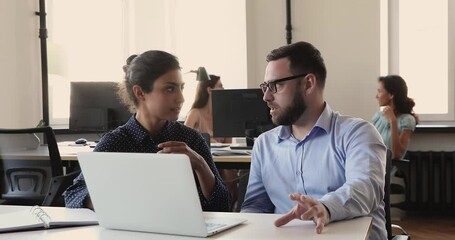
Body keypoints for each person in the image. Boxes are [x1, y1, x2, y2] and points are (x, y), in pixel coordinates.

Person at [240, 41, 387, 240]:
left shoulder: (357, 133)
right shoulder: (264, 145)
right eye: (265, 86)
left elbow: (365, 188)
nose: (266, 96)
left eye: (276, 85)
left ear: (308, 83)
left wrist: (325, 207)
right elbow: (255, 207)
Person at [64, 50, 231, 212]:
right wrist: (122, 195)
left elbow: (224, 206)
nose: (181, 98)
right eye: (170, 89)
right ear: (140, 92)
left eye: (181, 88)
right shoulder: (115, 142)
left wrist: (200, 165)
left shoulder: (190, 139)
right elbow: (72, 196)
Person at [184, 74, 239, 211]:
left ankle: (229, 210)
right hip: (203, 159)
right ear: (209, 90)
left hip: (221, 160)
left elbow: (228, 144)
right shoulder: (195, 113)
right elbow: (184, 139)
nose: (223, 89)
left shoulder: (223, 115)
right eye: (220, 86)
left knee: (231, 174)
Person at [372, 75, 417, 159]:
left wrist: (393, 121)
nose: (376, 96)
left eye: (379, 91)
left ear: (391, 95)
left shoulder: (407, 120)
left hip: (388, 170)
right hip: (371, 165)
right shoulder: (378, 117)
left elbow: (397, 154)